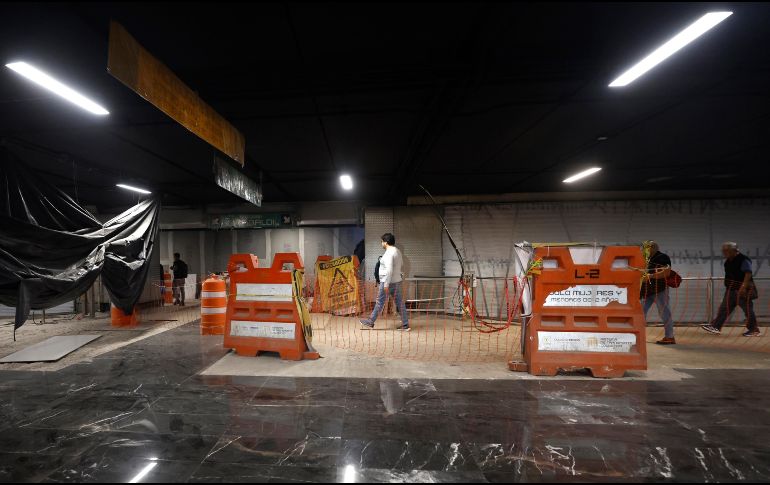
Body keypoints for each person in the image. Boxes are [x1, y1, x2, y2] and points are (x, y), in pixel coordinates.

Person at [701, 242, 760, 337]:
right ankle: (716, 326)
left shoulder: (743, 259)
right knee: (724, 309)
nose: (724, 252)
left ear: (734, 250)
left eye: (727, 250)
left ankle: (754, 329)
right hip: (731, 289)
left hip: (743, 290)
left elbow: (748, 273)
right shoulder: (728, 261)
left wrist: (743, 287)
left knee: (748, 310)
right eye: (723, 251)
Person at [360, 233, 410, 331]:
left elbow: (389, 269)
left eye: (382, 241)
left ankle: (370, 322)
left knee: (379, 302)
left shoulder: (388, 253)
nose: (381, 243)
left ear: (386, 242)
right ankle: (405, 325)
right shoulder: (398, 251)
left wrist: (386, 284)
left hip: (388, 282)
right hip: (396, 281)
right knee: (400, 303)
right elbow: (401, 265)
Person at [640, 241, 676, 345]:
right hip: (647, 291)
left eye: (645, 248)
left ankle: (670, 337)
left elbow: (666, 272)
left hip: (660, 290)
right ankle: (639, 335)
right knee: (640, 312)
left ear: (652, 248)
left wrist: (650, 276)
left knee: (664, 312)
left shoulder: (663, 257)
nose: (643, 250)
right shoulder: (647, 259)